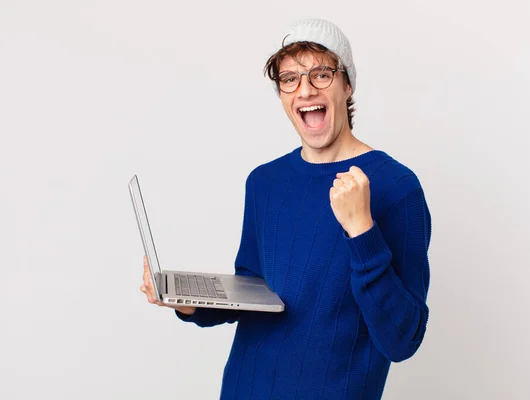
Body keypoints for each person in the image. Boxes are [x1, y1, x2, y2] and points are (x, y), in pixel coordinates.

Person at [140, 18, 431, 400]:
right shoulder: (264, 182)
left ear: (347, 85)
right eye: (289, 78)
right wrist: (192, 304)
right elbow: (255, 293)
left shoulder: (397, 187)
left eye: (321, 74)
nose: (304, 89)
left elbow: (402, 340)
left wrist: (362, 230)